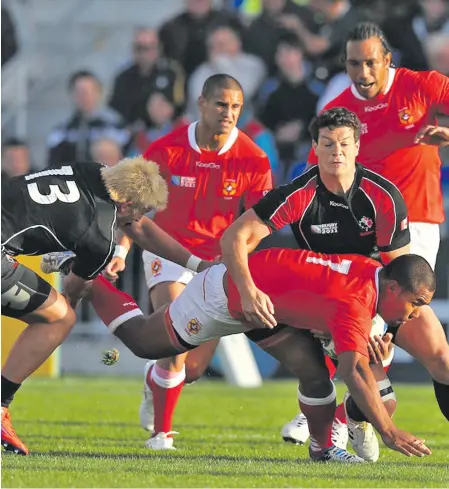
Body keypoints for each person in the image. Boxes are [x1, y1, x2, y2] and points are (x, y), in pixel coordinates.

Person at [89, 248, 435, 461]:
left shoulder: (369, 276)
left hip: (267, 308)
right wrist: (390, 432)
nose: (417, 313)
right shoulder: (355, 301)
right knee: (144, 343)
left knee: (313, 373)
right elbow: (355, 372)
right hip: (225, 298)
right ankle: (89, 277)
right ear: (392, 288)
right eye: (416, 303)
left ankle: (323, 450)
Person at [219, 106, 412, 461]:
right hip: (322, 298)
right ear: (315, 147)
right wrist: (243, 280)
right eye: (327, 143)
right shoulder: (299, 193)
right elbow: (241, 235)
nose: (336, 151)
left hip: (370, 303)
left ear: (357, 146)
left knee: (386, 401)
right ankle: (325, 431)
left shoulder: (383, 196)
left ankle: (346, 417)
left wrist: (389, 332)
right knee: (334, 377)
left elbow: (402, 278)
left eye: (343, 143)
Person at [1, 156, 213, 455]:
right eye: (142, 211)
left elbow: (139, 229)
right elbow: (75, 289)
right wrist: (73, 269)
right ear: (126, 205)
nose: (140, 219)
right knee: (59, 319)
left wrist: (197, 264)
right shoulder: (99, 236)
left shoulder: (90, 168)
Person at [107, 74, 273, 450]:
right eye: (220, 104)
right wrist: (120, 252)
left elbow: (260, 223)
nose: (228, 113)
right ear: (201, 103)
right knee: (174, 344)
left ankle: (155, 379)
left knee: (192, 369)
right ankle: (161, 436)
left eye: (235, 107)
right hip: (167, 254)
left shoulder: (253, 158)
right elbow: (133, 209)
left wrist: (241, 258)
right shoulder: (165, 150)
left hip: (217, 264)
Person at [305, 21, 449, 425]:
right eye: (354, 64)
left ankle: (334, 412)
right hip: (364, 231)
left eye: (371, 63)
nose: (363, 73)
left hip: (416, 224)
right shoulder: (338, 111)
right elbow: (315, 175)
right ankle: (352, 414)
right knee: (429, 353)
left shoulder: (424, 86)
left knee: (386, 323)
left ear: (388, 60)